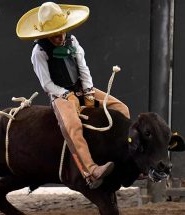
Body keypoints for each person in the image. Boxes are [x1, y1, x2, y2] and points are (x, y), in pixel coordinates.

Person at [16, 2, 130, 189]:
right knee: (72, 126)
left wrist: (88, 91)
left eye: (62, 32)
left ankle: (124, 154)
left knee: (120, 108)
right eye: (55, 34)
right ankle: (91, 170)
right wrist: (66, 94)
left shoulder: (73, 41)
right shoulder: (39, 52)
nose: (60, 37)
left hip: (82, 89)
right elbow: (46, 84)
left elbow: (83, 68)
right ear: (45, 34)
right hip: (60, 96)